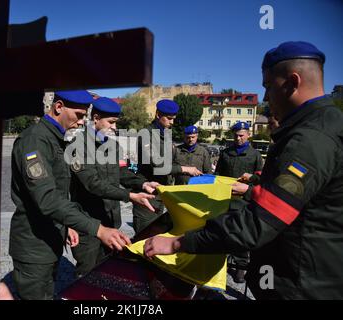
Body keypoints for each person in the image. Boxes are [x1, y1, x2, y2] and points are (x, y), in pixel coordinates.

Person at [144, 41, 343, 299]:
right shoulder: (327, 125)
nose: (265, 98)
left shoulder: (309, 140)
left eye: (268, 86)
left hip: (300, 284)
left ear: (293, 82)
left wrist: (178, 242)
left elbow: (258, 224)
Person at [8, 90, 131, 300]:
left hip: (50, 237)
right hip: (34, 244)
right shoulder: (35, 141)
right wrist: (98, 229)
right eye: (79, 115)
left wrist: (68, 225)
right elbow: (47, 199)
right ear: (58, 107)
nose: (83, 122)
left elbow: (62, 191)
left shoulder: (56, 140)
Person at [70, 97, 159, 277]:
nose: (114, 128)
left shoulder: (113, 146)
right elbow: (93, 184)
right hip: (87, 224)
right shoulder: (77, 147)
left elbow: (122, 173)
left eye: (116, 123)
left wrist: (142, 183)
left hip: (111, 220)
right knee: (87, 274)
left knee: (106, 271)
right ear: (95, 118)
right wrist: (130, 196)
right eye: (111, 122)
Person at [133, 99, 201, 234]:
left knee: (156, 236)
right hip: (147, 193)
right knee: (144, 235)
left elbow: (170, 162)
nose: (172, 122)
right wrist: (185, 169)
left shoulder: (166, 134)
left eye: (174, 119)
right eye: (169, 118)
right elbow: (157, 164)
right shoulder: (146, 134)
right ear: (158, 115)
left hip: (161, 193)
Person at [214, 121, 263, 282]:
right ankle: (220, 265)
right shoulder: (226, 153)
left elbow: (259, 179)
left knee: (241, 233)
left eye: (242, 135)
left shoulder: (255, 154)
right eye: (236, 135)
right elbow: (218, 174)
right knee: (222, 231)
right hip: (225, 199)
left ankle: (241, 266)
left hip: (244, 201)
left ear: (248, 135)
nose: (238, 138)